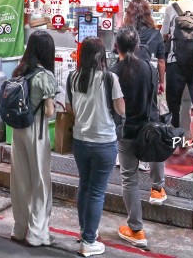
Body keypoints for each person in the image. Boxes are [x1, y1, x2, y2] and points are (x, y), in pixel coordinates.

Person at [67, 37, 125, 258]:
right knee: (97, 191)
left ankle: (85, 232)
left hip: (80, 141)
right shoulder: (110, 78)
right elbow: (121, 110)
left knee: (85, 185)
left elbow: (71, 109)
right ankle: (89, 240)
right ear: (102, 56)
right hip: (104, 142)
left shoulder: (73, 77)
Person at [115, 25, 165, 250]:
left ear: (117, 47)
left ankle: (136, 228)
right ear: (137, 45)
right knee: (151, 160)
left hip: (126, 132)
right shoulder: (149, 68)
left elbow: (114, 107)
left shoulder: (113, 72)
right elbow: (153, 100)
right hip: (147, 129)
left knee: (129, 178)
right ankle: (158, 188)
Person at [10, 30, 57, 247]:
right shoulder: (44, 76)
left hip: (18, 131)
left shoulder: (20, 71)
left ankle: (20, 228)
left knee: (20, 180)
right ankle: (37, 233)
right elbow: (48, 112)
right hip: (36, 131)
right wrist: (54, 105)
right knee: (40, 181)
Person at [124, 0, 166, 171]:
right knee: (149, 112)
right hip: (149, 76)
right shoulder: (155, 34)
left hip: (126, 76)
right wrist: (161, 81)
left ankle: (126, 155)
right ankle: (145, 157)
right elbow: (162, 61)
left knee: (126, 112)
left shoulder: (124, 31)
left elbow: (117, 54)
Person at [160, 0, 193, 143]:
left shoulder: (172, 7)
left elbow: (163, 33)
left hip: (174, 60)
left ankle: (176, 137)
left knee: (173, 102)